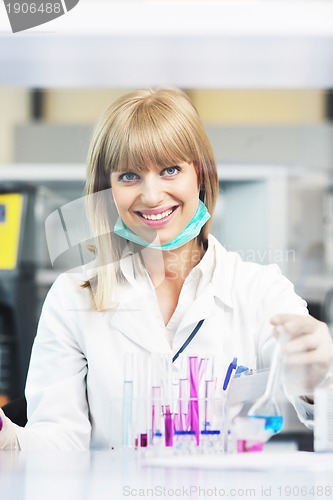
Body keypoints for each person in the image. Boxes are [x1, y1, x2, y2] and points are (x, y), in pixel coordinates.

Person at [0, 88, 332, 450]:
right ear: (106, 190)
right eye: (129, 176)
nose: (152, 195)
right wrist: (7, 439)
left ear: (200, 175)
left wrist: (313, 380)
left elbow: (312, 414)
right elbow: (58, 443)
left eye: (170, 170)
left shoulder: (261, 291)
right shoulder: (71, 297)